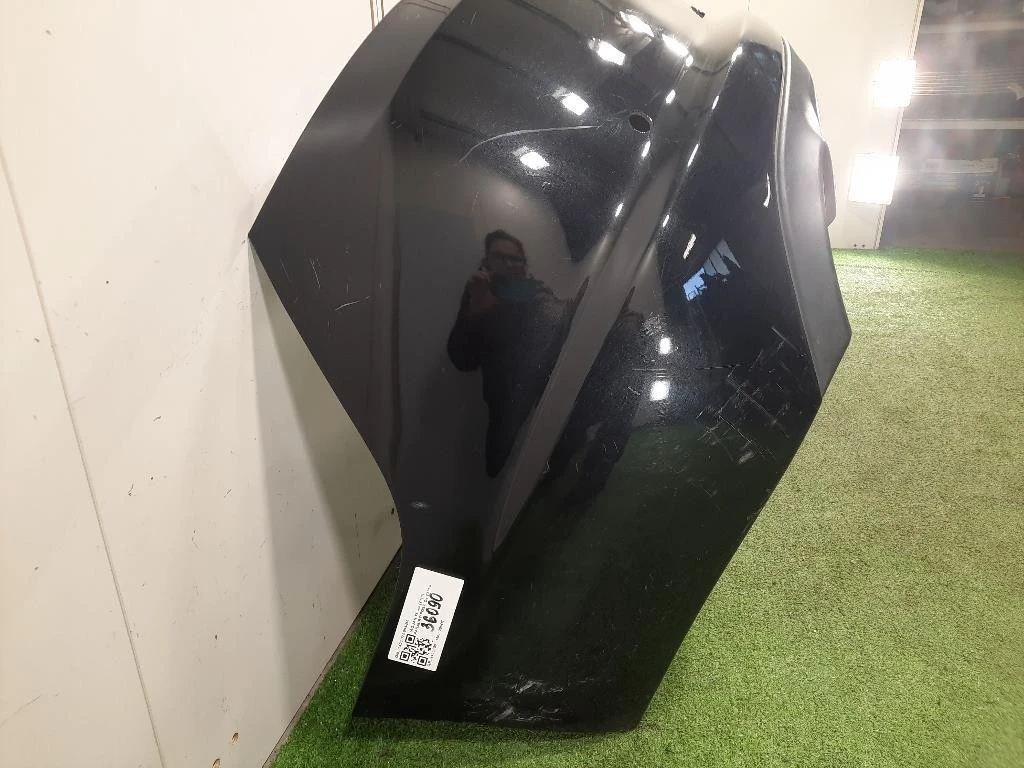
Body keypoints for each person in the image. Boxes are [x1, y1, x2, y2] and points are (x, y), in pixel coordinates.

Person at [448, 230, 570, 477]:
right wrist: (477, 311)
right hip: (503, 401)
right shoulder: (481, 293)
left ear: (524, 265)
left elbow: (557, 334)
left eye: (515, 259)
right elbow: (463, 360)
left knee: (544, 455)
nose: (509, 264)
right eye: (500, 257)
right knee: (498, 465)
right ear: (487, 261)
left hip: (544, 393)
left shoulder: (538, 294)